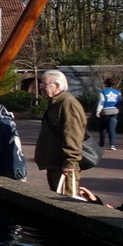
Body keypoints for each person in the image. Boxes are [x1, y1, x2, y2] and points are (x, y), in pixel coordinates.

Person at [34, 69, 87, 197]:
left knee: (66, 201)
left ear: (56, 86)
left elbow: (73, 135)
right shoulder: (55, 103)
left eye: (43, 84)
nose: (40, 87)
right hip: (55, 164)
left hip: (64, 167)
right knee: (57, 197)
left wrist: (70, 162)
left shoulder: (68, 104)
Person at [95, 78, 122, 151]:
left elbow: (101, 102)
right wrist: (119, 109)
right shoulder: (118, 92)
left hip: (105, 111)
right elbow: (119, 101)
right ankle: (112, 145)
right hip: (115, 111)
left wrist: (98, 111)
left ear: (105, 84)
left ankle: (101, 144)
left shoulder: (102, 92)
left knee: (103, 128)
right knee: (112, 129)